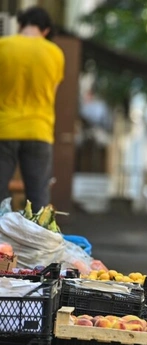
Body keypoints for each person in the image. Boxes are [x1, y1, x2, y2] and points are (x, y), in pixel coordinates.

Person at [0, 6, 65, 211]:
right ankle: (37, 241)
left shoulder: (3, 46)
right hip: (39, 130)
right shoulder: (55, 54)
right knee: (38, 197)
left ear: (20, 25)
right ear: (45, 31)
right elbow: (51, 93)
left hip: (4, 128)